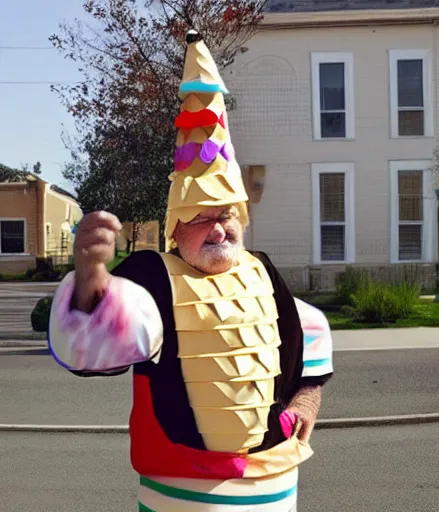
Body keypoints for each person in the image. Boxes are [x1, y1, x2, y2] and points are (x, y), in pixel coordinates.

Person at [48, 30, 333, 512]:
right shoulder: (152, 278)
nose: (218, 229)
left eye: (226, 215)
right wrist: (91, 284)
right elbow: (100, 338)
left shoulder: (262, 271)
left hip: (276, 485)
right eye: (201, 219)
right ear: (176, 231)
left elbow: (311, 329)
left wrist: (307, 397)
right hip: (183, 492)